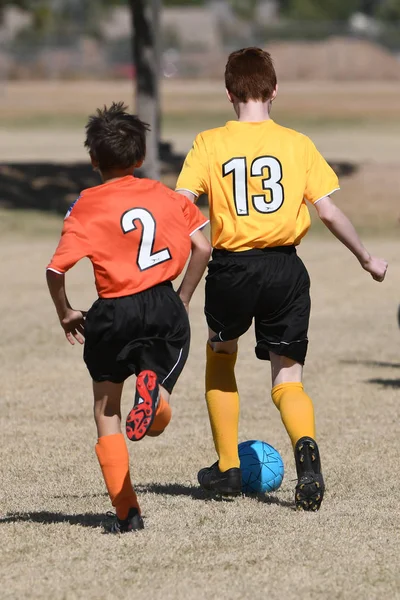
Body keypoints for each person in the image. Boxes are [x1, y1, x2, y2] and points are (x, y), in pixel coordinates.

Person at [175, 48, 388, 511]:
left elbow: (180, 205)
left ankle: (228, 467)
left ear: (229, 93)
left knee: (221, 354)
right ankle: (308, 464)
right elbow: (328, 211)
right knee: (288, 379)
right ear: (275, 90)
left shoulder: (208, 143)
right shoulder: (297, 143)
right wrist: (367, 258)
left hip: (231, 269)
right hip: (286, 270)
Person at [46, 102, 210, 532]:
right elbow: (204, 248)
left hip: (112, 311)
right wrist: (184, 297)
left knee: (106, 410)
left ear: (94, 159)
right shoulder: (165, 195)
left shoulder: (85, 204)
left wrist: (66, 312)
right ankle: (155, 402)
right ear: (139, 158)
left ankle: (128, 512)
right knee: (155, 406)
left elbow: (56, 269)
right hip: (162, 304)